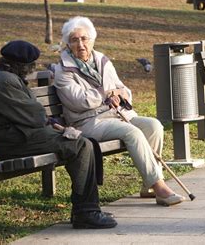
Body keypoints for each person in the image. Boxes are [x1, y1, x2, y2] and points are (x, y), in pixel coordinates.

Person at [0, 40, 117, 229]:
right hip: (14, 141)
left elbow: (33, 115)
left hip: (22, 135)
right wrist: (48, 122)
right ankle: (86, 212)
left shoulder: (7, 78)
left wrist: (51, 124)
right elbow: (35, 115)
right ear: (23, 65)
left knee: (85, 143)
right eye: (31, 66)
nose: (32, 69)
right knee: (81, 145)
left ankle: (87, 208)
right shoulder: (5, 81)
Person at [53, 16, 186, 207]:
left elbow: (124, 90)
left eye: (84, 38)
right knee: (131, 132)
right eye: (74, 40)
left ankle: (147, 185)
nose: (80, 44)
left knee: (153, 126)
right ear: (67, 44)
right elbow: (79, 101)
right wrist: (106, 93)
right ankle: (159, 187)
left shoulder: (103, 61)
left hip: (117, 115)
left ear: (92, 40)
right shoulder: (63, 71)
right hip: (89, 122)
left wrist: (120, 95)